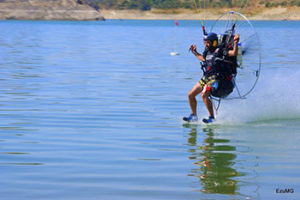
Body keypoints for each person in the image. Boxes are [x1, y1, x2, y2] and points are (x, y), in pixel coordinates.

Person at [183, 32, 240, 123]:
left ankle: (211, 117)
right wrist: (195, 52)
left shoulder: (221, 51)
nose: (206, 44)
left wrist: (236, 43)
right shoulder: (207, 52)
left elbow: (234, 53)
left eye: (208, 42)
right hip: (206, 77)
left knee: (204, 94)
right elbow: (203, 59)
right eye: (205, 42)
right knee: (190, 95)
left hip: (217, 78)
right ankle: (194, 115)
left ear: (214, 42)